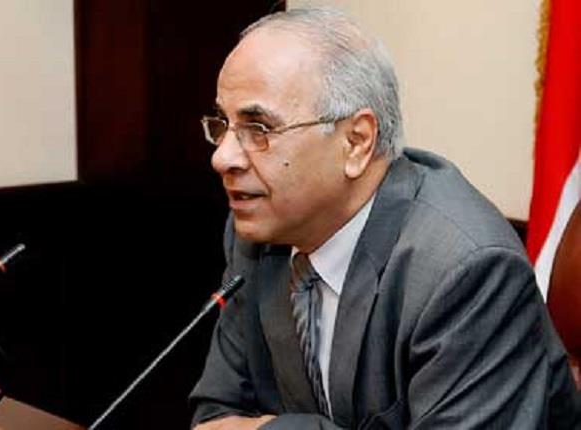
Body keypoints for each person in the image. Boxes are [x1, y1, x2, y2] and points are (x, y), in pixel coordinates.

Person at [189, 7, 579, 429]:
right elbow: (215, 415)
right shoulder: (257, 235)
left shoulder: (465, 269)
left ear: (356, 142)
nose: (222, 157)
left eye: (259, 129)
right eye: (223, 125)